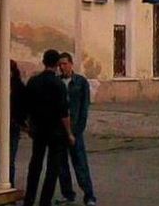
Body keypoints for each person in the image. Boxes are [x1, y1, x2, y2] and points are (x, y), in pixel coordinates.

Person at [23, 49, 75, 206]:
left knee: (35, 164)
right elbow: (64, 112)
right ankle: (45, 201)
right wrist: (69, 133)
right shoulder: (58, 84)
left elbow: (27, 106)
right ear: (57, 64)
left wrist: (28, 125)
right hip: (55, 131)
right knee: (53, 168)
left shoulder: (33, 81)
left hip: (38, 129)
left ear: (43, 62)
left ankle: (29, 199)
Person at [55, 52, 96, 206]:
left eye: (65, 64)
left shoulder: (80, 82)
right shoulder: (57, 82)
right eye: (60, 64)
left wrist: (77, 130)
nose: (62, 67)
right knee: (61, 165)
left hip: (75, 129)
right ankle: (67, 194)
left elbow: (84, 107)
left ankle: (89, 195)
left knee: (80, 164)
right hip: (59, 130)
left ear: (71, 64)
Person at [0, 60, 28, 187]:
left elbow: (23, 106)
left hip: (13, 126)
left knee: (10, 159)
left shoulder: (18, 87)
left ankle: (9, 184)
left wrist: (20, 121)